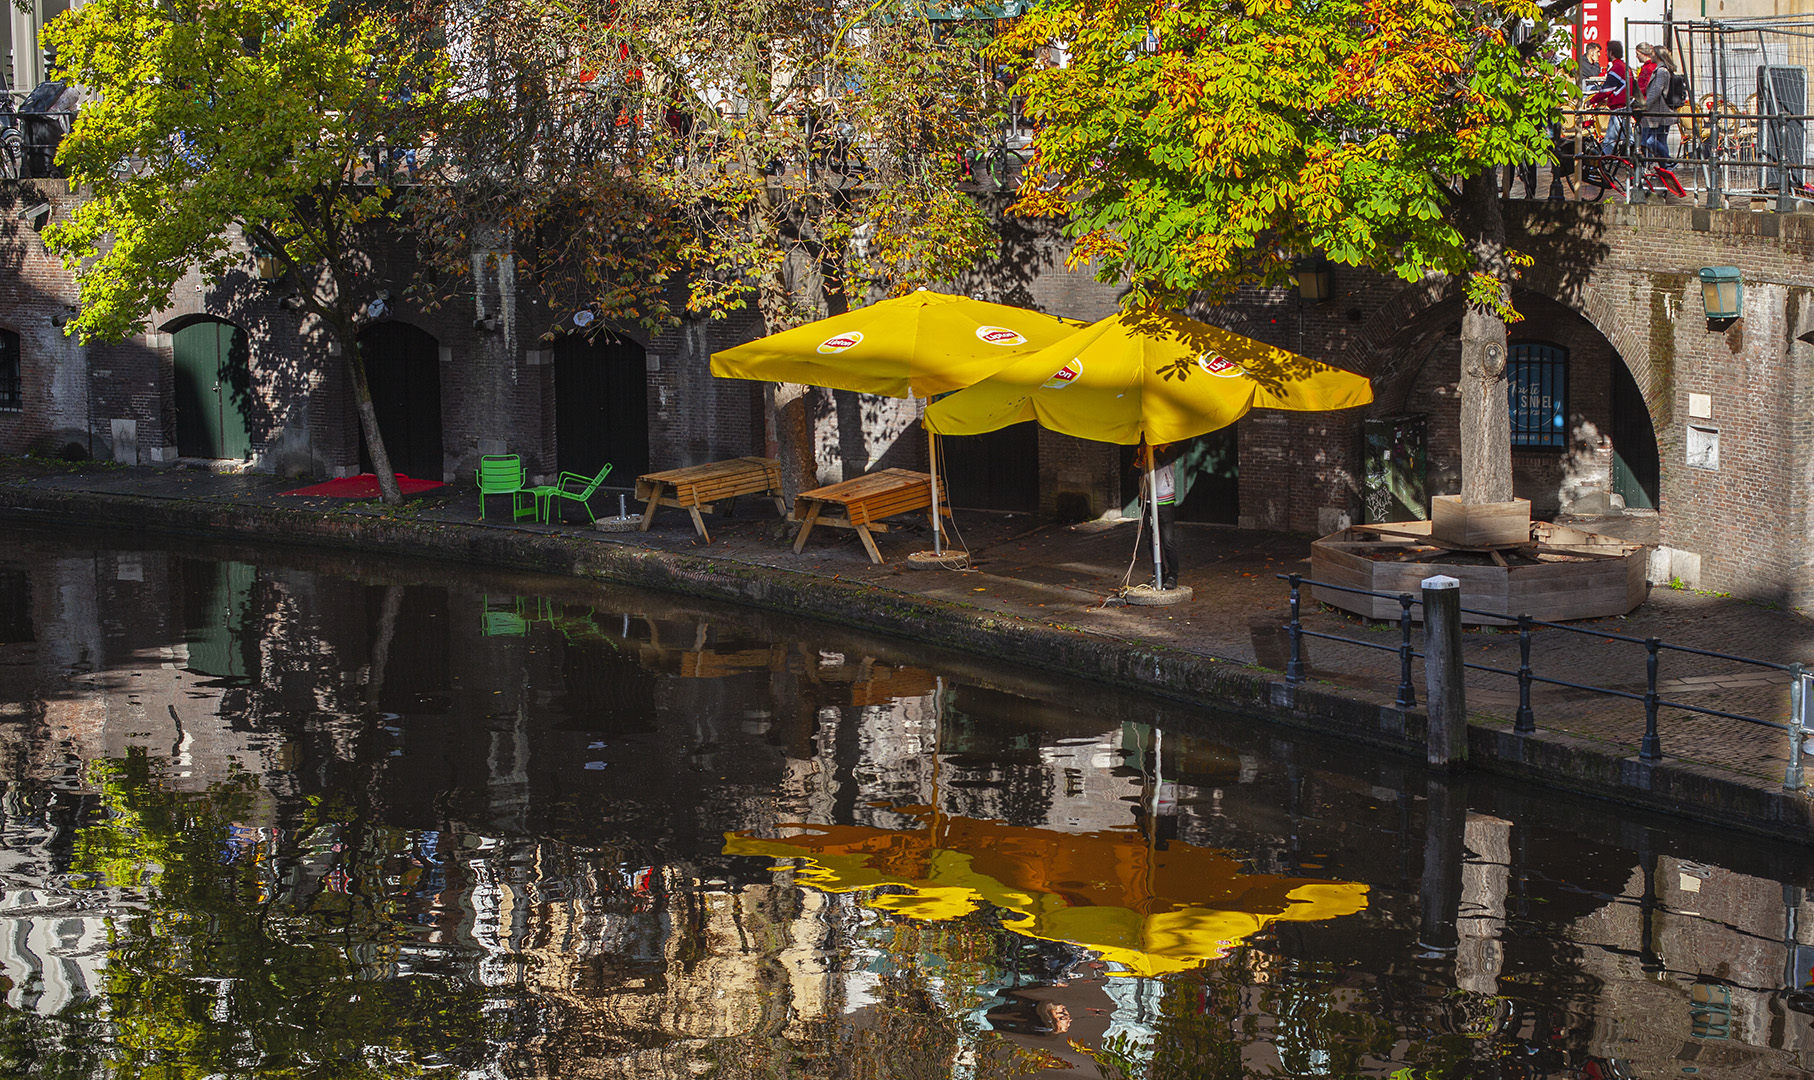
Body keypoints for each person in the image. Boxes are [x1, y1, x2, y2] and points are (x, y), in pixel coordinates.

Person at [1135, 441, 1179, 589]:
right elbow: (1132, 472)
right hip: (1147, 500)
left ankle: (1173, 575)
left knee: (1167, 540)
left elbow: (1165, 460)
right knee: (1151, 540)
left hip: (1164, 500)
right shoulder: (1142, 450)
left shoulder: (1169, 448)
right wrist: (1140, 457)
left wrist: (1152, 449)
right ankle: (1158, 573)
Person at [1588, 41, 1631, 158]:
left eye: (1607, 52)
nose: (1606, 55)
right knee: (1612, 138)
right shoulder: (1624, 67)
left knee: (1623, 138)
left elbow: (1607, 90)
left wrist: (1591, 101)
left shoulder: (1616, 68)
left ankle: (1604, 161)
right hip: (1621, 107)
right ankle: (1605, 160)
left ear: (1611, 52)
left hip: (1619, 107)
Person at [1639, 46, 1681, 167]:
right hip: (1662, 112)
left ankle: (1670, 161)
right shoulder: (1663, 70)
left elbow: (1656, 91)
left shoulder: (1662, 71)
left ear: (1657, 55)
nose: (1650, 56)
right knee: (1661, 140)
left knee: (1651, 141)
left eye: (1652, 54)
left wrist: (1645, 105)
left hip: (1661, 113)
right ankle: (1666, 168)